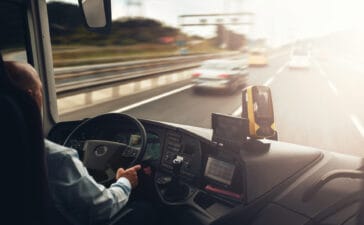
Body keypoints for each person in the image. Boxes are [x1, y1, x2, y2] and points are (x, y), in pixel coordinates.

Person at [4, 61, 147, 225]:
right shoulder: (56, 158)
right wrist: (125, 181)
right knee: (144, 211)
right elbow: (102, 208)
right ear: (30, 97)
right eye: (40, 91)